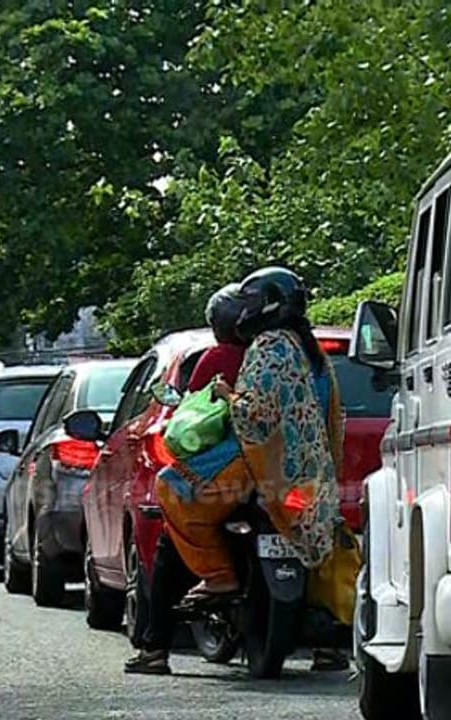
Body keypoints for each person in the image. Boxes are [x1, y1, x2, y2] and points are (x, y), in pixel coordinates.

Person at [126, 268, 349, 674]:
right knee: (314, 542)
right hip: (303, 480)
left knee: (171, 499)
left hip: (257, 469)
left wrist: (227, 394)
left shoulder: (263, 348)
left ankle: (174, 626)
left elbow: (256, 416)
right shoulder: (315, 354)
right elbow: (335, 421)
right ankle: (329, 644)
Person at [126, 283, 247, 676]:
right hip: (283, 476)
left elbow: (191, 420)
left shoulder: (217, 359)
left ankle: (155, 649)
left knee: (168, 545)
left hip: (219, 476)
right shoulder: (292, 358)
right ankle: (330, 645)